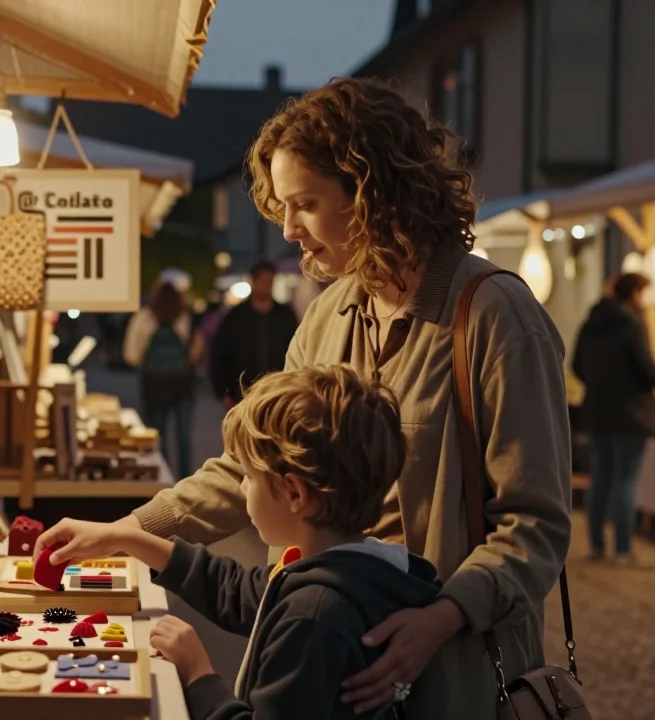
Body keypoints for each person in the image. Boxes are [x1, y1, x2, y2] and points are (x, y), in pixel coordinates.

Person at [38, 77, 572, 718]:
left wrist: (442, 616)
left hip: (452, 675)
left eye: (306, 204)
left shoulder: (494, 314)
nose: (289, 229)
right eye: (283, 206)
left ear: (374, 191)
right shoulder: (329, 315)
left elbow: (535, 525)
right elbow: (254, 464)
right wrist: (132, 529)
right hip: (327, 653)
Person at [40, 366, 441, 719]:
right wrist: (128, 537)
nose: (242, 487)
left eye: (248, 476)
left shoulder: (314, 613)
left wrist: (198, 672)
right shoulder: (354, 572)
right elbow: (242, 593)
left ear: (295, 494)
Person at [573, 272, 655, 565]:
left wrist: (600, 385)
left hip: (597, 411)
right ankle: (622, 550)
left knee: (600, 479)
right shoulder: (630, 323)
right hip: (631, 412)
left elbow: (577, 365)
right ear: (633, 293)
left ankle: (596, 546)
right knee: (625, 480)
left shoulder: (591, 323)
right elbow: (646, 367)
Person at [123, 281, 204, 478]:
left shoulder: (144, 317)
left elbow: (131, 355)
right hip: (183, 385)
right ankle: (185, 481)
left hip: (154, 386)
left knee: (157, 437)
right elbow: (196, 351)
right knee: (184, 438)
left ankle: (162, 479)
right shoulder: (186, 317)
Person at [209, 260, 299, 408]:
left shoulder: (285, 316)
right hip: (242, 396)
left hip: (278, 395)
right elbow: (219, 355)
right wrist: (223, 393)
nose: (266, 285)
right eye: (262, 281)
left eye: (269, 281)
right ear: (253, 281)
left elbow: (296, 351)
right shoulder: (235, 317)